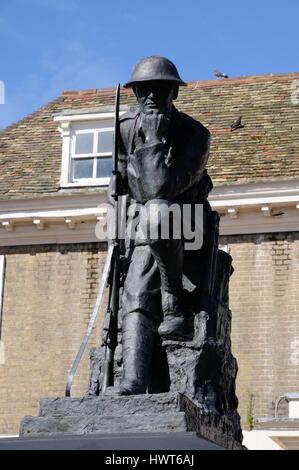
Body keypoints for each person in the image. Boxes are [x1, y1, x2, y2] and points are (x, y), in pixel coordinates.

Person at [108, 56, 213, 395]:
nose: (151, 98)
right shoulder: (124, 129)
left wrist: (153, 142)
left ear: (174, 94)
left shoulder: (195, 135)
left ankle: (173, 296)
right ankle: (134, 380)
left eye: (160, 89)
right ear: (135, 94)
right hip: (143, 227)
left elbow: (161, 188)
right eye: (143, 91)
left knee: (157, 212)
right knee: (136, 289)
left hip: (188, 225)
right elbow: (123, 187)